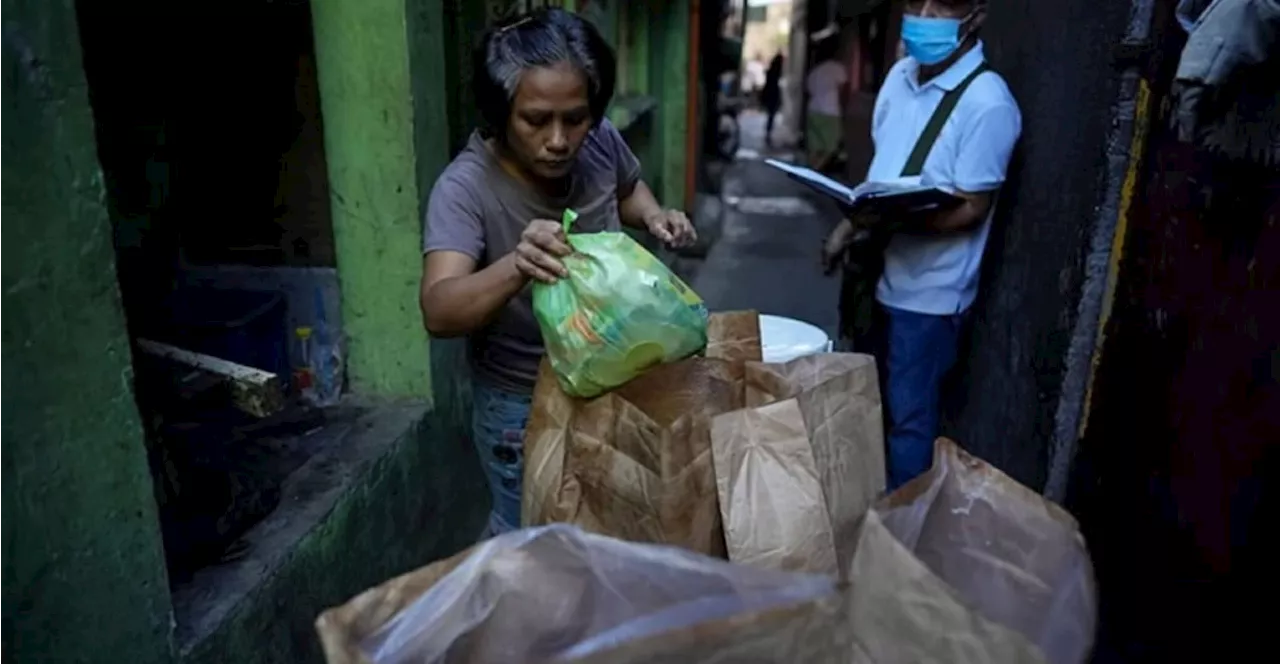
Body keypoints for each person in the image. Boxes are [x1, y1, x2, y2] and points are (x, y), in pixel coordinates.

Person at [419, 9, 697, 536]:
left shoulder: (599, 141)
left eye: (576, 117)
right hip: (520, 401)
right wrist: (515, 266)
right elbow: (439, 308)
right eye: (536, 119)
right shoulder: (465, 189)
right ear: (501, 112)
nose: (560, 140)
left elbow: (626, 187)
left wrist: (655, 215)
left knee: (613, 520)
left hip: (619, 376)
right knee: (532, 531)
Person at [821, 0, 1021, 490]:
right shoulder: (900, 76)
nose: (924, 13)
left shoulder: (988, 104)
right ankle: (862, 514)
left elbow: (972, 206)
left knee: (909, 422)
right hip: (877, 273)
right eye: (916, 2)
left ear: (976, 15)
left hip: (930, 294)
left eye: (943, 4)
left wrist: (898, 222)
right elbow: (882, 170)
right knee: (865, 405)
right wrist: (849, 227)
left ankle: (901, 539)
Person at [805, 37, 848, 170]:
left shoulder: (815, 70)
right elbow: (843, 91)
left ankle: (811, 170)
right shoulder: (838, 69)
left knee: (815, 146)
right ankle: (816, 171)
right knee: (831, 146)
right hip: (831, 111)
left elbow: (809, 90)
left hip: (813, 110)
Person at [762, 52, 785, 147]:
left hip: (769, 94)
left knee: (770, 115)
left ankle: (768, 133)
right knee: (771, 115)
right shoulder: (778, 72)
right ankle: (768, 133)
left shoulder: (770, 71)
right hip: (773, 95)